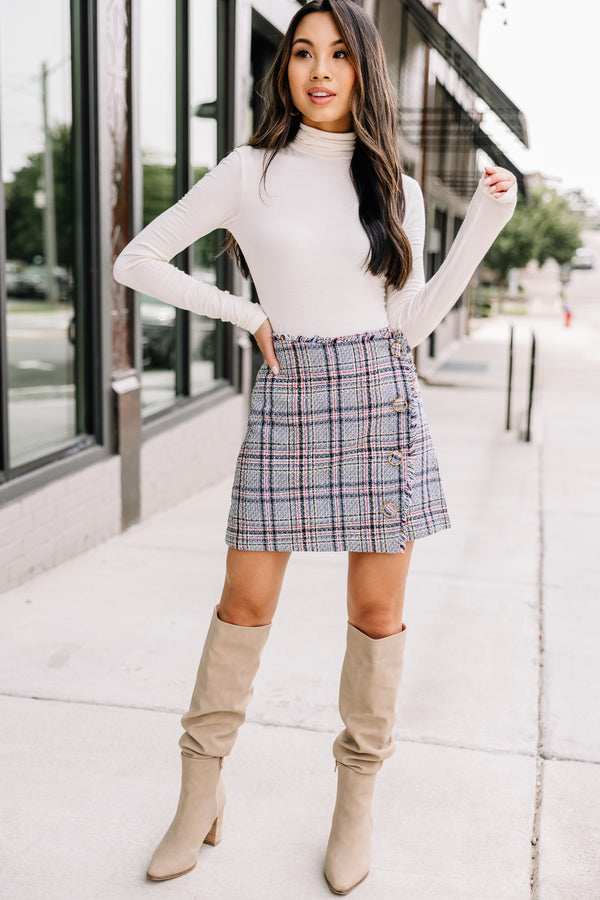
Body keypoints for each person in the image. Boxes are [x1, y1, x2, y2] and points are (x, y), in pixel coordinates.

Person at [113, 0, 517, 893]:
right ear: (285, 68)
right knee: (244, 603)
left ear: (365, 71)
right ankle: (199, 794)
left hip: (380, 401)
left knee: (376, 616)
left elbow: (406, 323)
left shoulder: (396, 188)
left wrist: (484, 226)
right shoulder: (248, 171)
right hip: (290, 399)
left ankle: (356, 804)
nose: (319, 69)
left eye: (338, 54)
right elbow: (135, 260)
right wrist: (244, 311)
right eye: (302, 53)